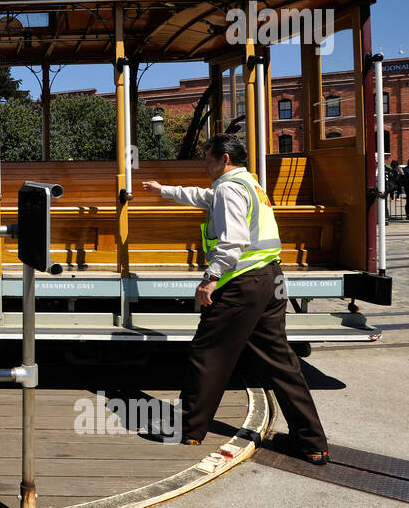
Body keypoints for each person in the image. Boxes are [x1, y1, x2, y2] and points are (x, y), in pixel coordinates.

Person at [141, 134, 329, 464]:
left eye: (208, 158)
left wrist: (209, 280)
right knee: (280, 362)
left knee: (207, 353)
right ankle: (311, 441)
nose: (204, 164)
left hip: (242, 283)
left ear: (225, 159)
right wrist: (163, 191)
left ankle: (188, 429)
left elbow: (232, 242)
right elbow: (203, 197)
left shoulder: (228, 188)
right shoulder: (248, 184)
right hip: (270, 279)